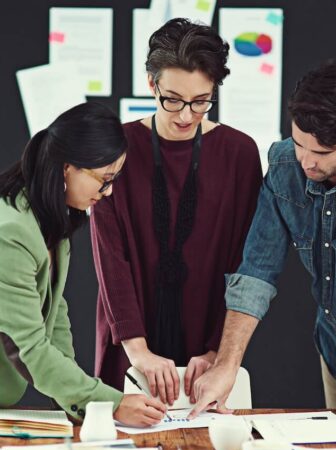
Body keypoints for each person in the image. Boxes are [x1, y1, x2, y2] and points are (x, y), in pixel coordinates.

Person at [189, 60, 336, 424]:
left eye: (321, 153)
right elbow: (257, 270)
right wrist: (226, 366)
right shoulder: (284, 166)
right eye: (299, 144)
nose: (305, 161)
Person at [90, 18, 263, 406]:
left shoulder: (239, 153)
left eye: (200, 101)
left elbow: (246, 261)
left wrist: (218, 351)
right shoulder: (117, 145)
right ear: (151, 84)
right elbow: (109, 258)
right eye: (172, 99)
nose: (185, 116)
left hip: (208, 339)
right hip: (131, 340)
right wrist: (138, 351)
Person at [0, 102, 166, 427]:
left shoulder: (49, 221)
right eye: (104, 179)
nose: (109, 191)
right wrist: (109, 403)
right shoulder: (12, 233)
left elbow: (55, 317)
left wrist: (80, 401)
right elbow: (28, 347)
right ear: (67, 167)